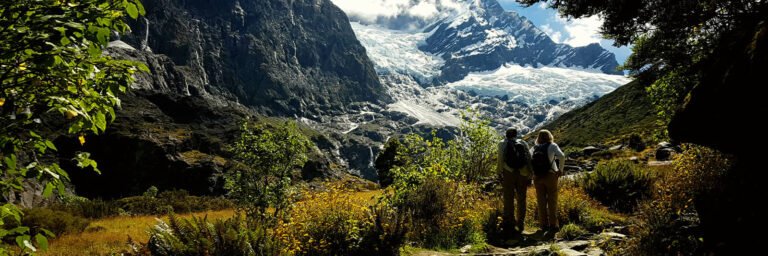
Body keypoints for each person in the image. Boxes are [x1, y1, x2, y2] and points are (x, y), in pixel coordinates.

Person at [497, 128, 531, 237]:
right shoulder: (523, 142)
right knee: (522, 198)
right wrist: (530, 173)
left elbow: (500, 158)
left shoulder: (502, 143)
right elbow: (528, 158)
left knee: (508, 197)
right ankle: (520, 223)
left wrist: (499, 172)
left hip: (509, 172)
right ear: (516, 135)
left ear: (506, 135)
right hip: (522, 173)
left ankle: (509, 223)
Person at [530, 129, 565, 233]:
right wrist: (560, 170)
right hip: (550, 175)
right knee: (552, 200)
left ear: (539, 138)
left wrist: (532, 172)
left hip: (537, 177)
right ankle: (553, 225)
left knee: (541, 201)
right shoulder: (553, 145)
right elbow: (562, 156)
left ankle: (543, 225)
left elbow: (528, 158)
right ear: (550, 136)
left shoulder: (534, 148)